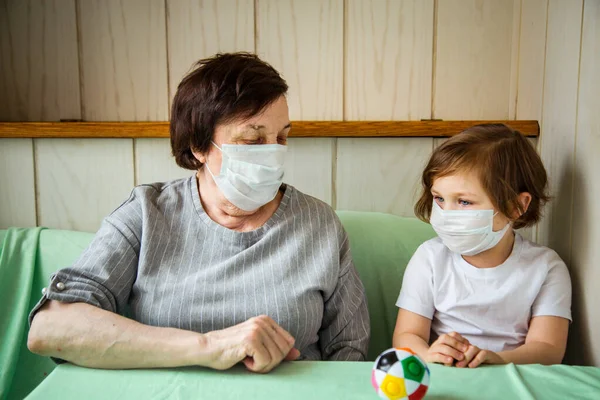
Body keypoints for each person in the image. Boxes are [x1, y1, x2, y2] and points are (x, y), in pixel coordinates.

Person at [28, 52, 370, 373]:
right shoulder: (148, 213)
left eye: (281, 138)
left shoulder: (319, 223)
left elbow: (350, 351)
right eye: (252, 141)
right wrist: (208, 346)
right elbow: (50, 327)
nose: (273, 155)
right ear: (199, 146)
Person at [393, 124, 571, 368]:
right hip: (445, 377)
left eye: (464, 202)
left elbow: (548, 350)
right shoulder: (430, 258)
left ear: (516, 206)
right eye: (439, 198)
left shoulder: (546, 267)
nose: (446, 213)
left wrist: (497, 360)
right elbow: (406, 336)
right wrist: (427, 354)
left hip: (511, 379)